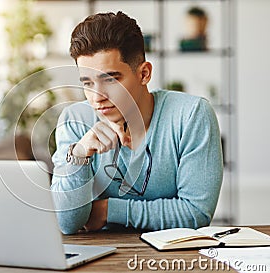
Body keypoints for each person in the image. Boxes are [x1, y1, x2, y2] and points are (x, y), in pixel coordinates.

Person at [50, 11, 223, 234]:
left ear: (144, 74)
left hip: (171, 259)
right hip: (99, 260)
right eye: (87, 83)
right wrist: (80, 155)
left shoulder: (190, 115)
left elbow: (196, 213)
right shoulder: (75, 121)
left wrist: (107, 210)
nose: (97, 97)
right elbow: (66, 223)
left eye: (110, 80)